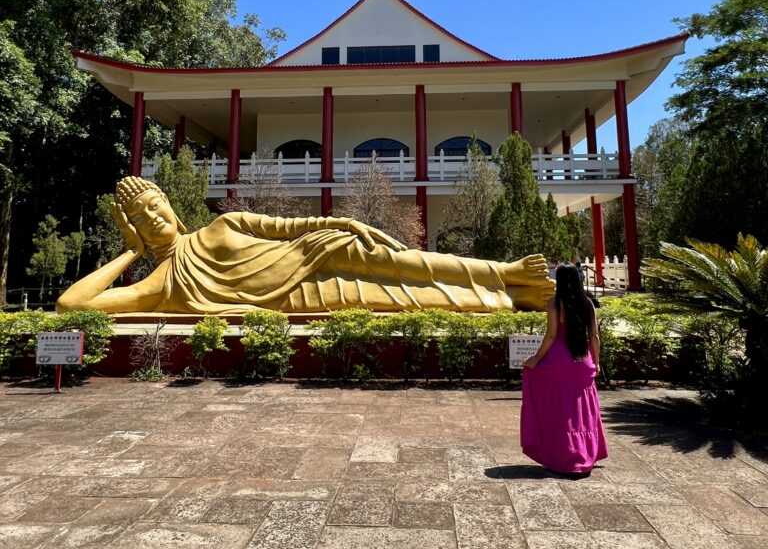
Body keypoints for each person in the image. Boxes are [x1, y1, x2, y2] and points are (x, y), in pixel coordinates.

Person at [57, 176, 555, 315]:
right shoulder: (161, 282)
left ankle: (503, 271)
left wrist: (344, 220)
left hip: (318, 250)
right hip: (300, 297)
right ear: (137, 229)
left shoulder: (224, 223)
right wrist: (131, 252)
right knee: (409, 298)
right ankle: (510, 298)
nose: (156, 218)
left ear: (171, 206)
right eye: (143, 219)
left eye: (157, 206)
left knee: (406, 263)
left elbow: (288, 226)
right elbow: (71, 304)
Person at [520, 262, 608, 475]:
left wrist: (535, 358)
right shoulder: (587, 303)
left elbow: (551, 335)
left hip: (559, 361)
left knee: (559, 409)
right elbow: (594, 336)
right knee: (583, 410)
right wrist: (596, 363)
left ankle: (563, 453)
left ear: (559, 280)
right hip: (583, 361)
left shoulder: (554, 303)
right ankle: (585, 452)